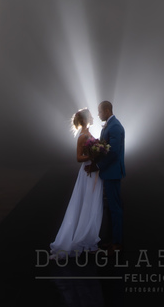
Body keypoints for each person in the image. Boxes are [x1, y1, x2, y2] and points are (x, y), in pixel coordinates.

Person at [50, 108, 105, 259]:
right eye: (91, 116)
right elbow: (78, 157)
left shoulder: (88, 133)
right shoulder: (82, 136)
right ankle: (83, 240)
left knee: (91, 204)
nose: (93, 117)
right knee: (87, 204)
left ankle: (88, 240)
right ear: (86, 119)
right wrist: (92, 156)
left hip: (93, 171)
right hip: (88, 173)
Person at [87, 100, 126, 251]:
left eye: (100, 111)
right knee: (111, 209)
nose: (98, 114)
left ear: (107, 111)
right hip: (109, 173)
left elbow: (114, 152)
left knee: (115, 209)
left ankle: (117, 243)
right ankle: (113, 240)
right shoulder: (110, 125)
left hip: (112, 173)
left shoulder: (115, 126)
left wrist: (98, 166)